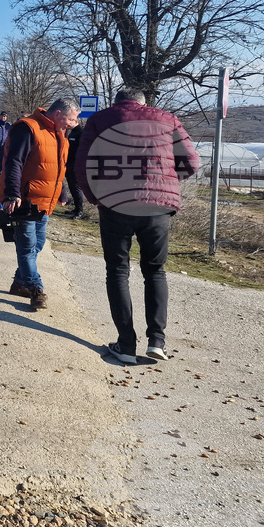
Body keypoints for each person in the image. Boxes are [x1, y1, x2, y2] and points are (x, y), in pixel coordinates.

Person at [74, 89, 200, 364]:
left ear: (117, 102)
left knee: (118, 271)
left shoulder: (99, 120)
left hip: (115, 203)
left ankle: (126, 345)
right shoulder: (167, 119)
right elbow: (191, 162)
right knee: (155, 271)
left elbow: (82, 166)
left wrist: (95, 197)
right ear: (144, 103)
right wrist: (166, 179)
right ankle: (157, 341)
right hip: (158, 206)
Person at [0, 97, 80, 311]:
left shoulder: (59, 134)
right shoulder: (27, 128)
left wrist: (62, 191)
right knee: (26, 248)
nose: (75, 124)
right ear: (59, 114)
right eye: (72, 119)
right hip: (24, 200)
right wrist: (12, 194)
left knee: (38, 244)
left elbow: (58, 166)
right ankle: (36, 289)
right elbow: (14, 162)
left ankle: (19, 282)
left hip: (46, 200)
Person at [63, 122, 86, 219]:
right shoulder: (71, 133)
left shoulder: (81, 133)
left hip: (76, 165)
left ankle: (79, 211)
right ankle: (76, 208)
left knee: (76, 188)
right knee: (72, 187)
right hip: (69, 164)